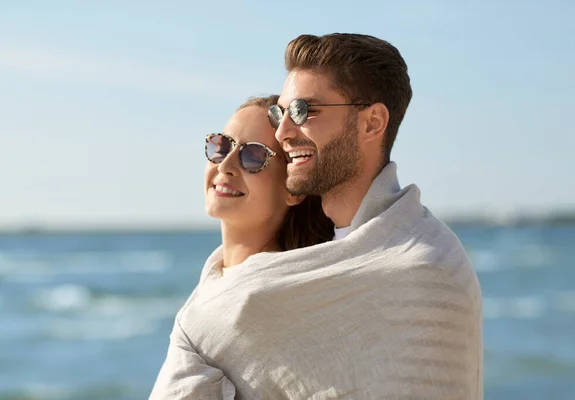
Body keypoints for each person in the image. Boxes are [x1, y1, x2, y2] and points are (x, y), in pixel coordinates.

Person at [151, 33, 482, 400]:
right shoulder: (297, 273)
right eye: (281, 114)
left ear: (372, 123)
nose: (283, 132)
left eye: (303, 111)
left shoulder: (425, 265)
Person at [148, 95, 333, 399]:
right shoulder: (217, 280)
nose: (227, 165)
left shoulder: (270, 302)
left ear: (293, 188)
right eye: (221, 146)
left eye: (254, 157)